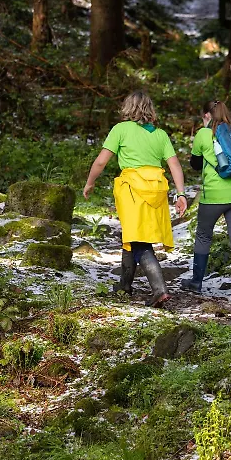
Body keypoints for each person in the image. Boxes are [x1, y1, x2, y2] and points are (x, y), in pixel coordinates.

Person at [83, 91, 188, 308]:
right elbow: (175, 165)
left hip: (132, 189)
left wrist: (90, 182)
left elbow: (101, 161)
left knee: (140, 241)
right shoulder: (160, 134)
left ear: (128, 108)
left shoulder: (121, 129)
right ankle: (125, 285)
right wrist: (180, 194)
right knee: (132, 236)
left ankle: (160, 290)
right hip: (157, 190)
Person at [182, 100, 231, 297]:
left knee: (204, 236)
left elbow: (195, 164)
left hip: (214, 196)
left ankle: (196, 282)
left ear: (207, 115)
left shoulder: (204, 134)